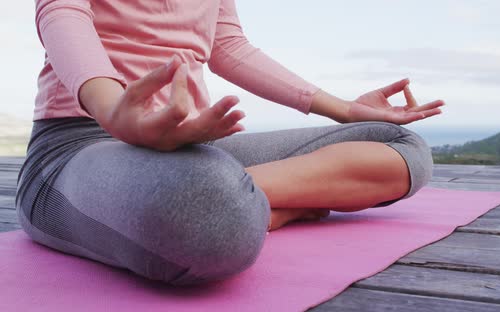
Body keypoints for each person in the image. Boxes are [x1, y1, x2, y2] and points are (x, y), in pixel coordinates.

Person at [16, 0, 444, 286]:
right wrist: (114, 111)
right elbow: (62, 13)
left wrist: (345, 110)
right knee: (212, 226)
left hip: (194, 153)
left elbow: (228, 45)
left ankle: (236, 195)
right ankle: (241, 199)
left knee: (401, 145)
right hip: (77, 148)